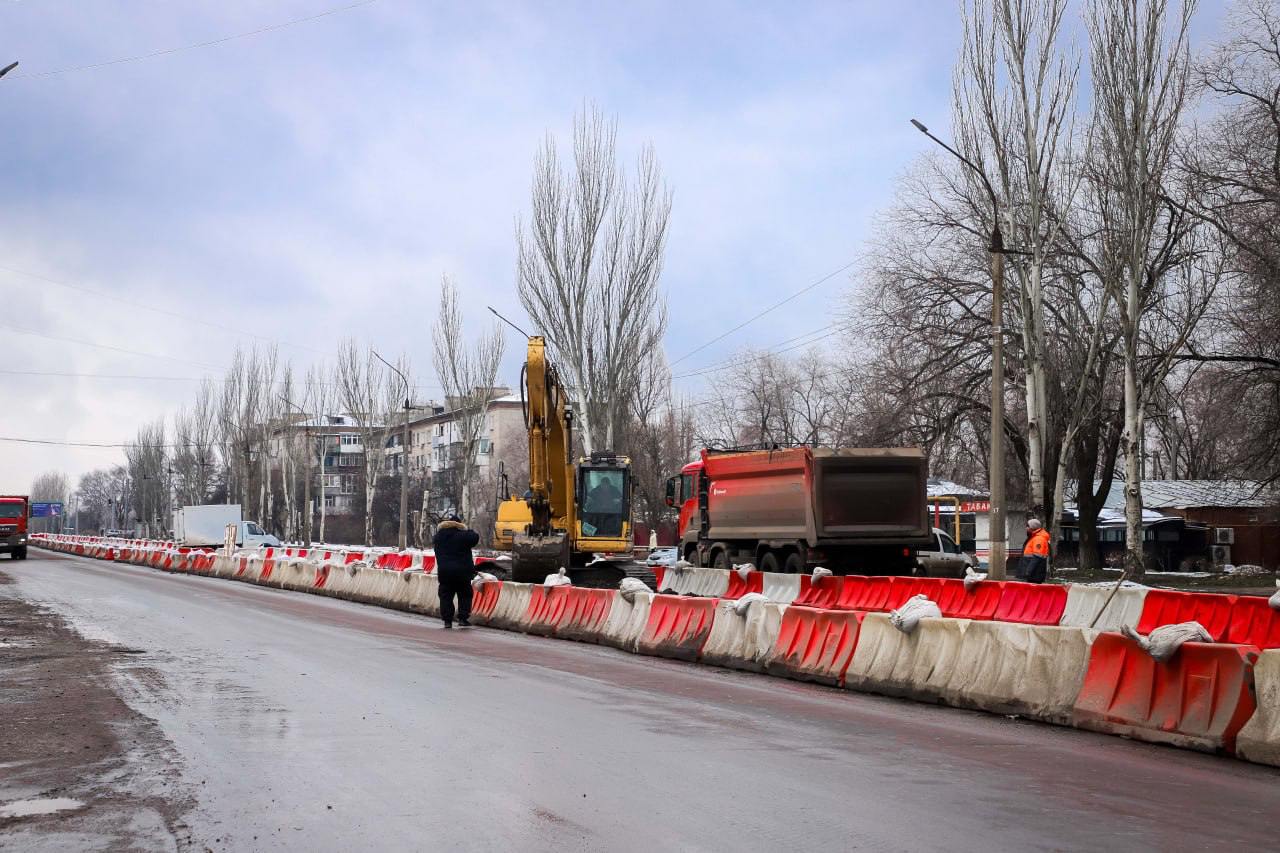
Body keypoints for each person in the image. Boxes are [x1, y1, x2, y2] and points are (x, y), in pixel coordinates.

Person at [432, 514, 480, 629]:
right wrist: (466, 528)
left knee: (445, 596)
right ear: (459, 525)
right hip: (462, 572)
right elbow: (475, 537)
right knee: (465, 595)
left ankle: (447, 621)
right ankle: (463, 619)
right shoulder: (463, 536)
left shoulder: (438, 537)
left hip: (445, 572)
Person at [1018, 517, 1052, 584]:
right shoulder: (1035, 537)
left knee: (1034, 591)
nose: (1026, 528)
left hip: (1035, 573)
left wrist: (1028, 571)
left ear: (1032, 527)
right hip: (1034, 572)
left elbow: (1037, 557)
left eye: (1027, 526)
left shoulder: (1039, 539)